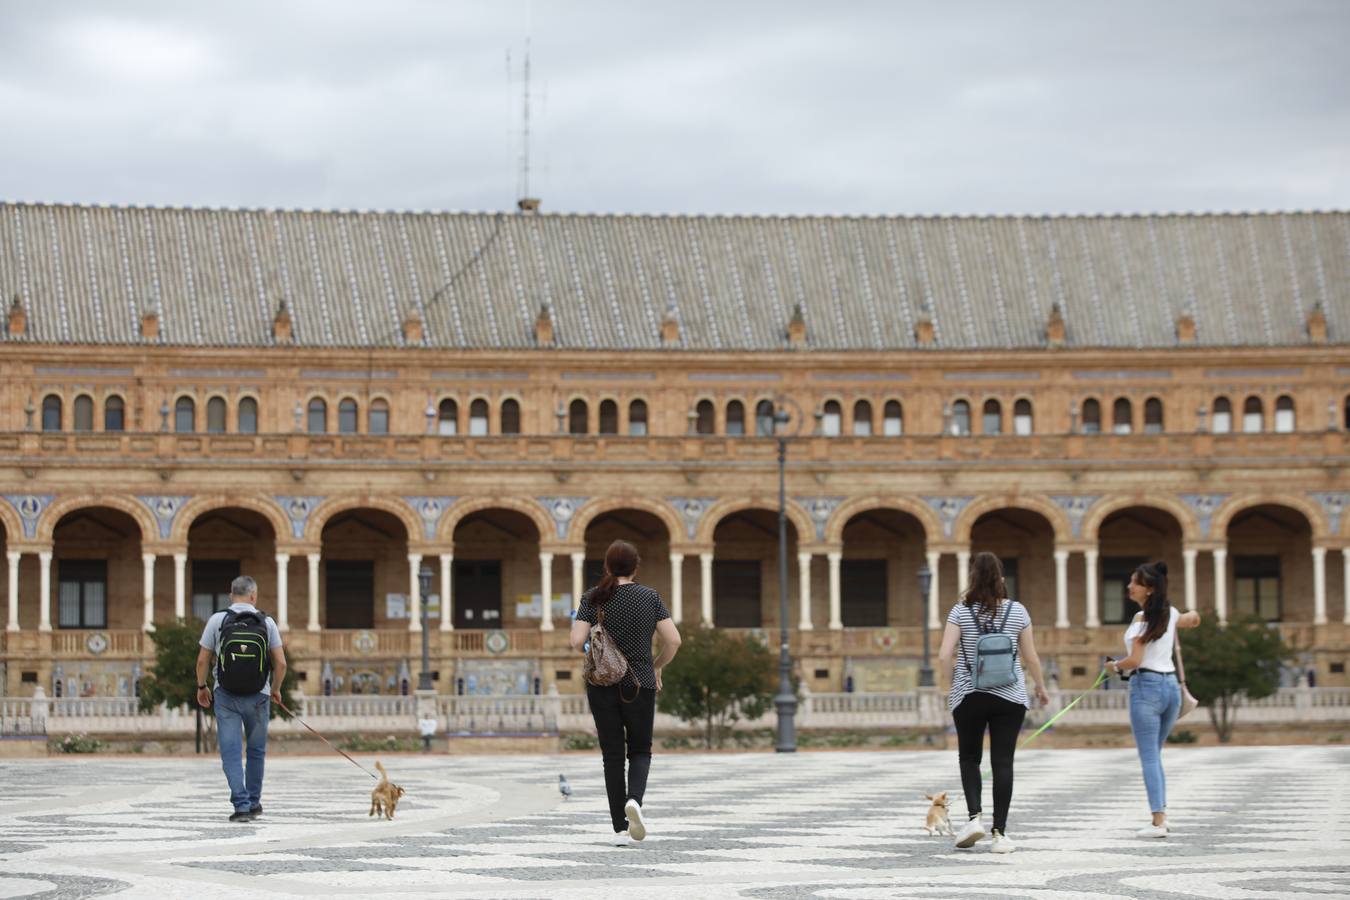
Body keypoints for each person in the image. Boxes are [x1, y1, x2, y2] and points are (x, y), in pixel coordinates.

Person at [570, 539, 682, 846]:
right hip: (640, 683)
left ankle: (619, 824)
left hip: (601, 683)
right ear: (636, 567)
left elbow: (576, 640)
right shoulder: (650, 597)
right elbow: (674, 641)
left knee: (612, 755)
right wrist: (657, 666)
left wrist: (590, 637)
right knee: (640, 750)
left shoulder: (592, 597)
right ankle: (635, 800)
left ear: (607, 566)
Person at [937, 551, 1049, 854]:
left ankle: (974, 818)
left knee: (969, 758)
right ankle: (1000, 834)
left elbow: (944, 655)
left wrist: (950, 686)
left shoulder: (960, 611)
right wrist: (1039, 687)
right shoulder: (1018, 611)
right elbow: (1031, 656)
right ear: (1001, 579)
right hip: (1010, 695)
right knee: (1003, 762)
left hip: (969, 694)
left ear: (972, 578)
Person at [1107, 561, 1201, 837]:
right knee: (1154, 756)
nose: (1129, 586)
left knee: (1149, 757)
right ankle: (1161, 815)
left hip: (1146, 687)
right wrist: (1194, 614)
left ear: (1148, 589)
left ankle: (1158, 821)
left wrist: (1112, 666)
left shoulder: (1141, 620)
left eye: (1134, 582)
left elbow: (1135, 660)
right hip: (1171, 687)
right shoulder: (1170, 613)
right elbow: (1192, 619)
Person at [195, 575, 286, 822]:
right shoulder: (267, 623)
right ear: (254, 596)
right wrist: (275, 689)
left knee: (231, 752)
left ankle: (241, 806)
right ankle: (254, 802)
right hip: (259, 696)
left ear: (231, 595)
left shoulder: (218, 620)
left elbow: (203, 660)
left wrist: (202, 686)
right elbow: (281, 663)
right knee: (256, 751)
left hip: (226, 695)